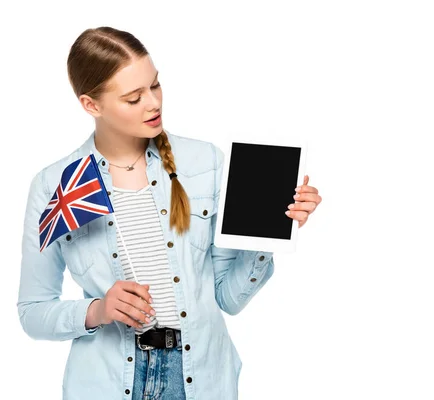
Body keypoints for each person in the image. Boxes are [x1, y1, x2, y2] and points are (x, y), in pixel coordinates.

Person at [17, 26, 322, 400]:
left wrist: (272, 230)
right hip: (107, 383)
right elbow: (32, 312)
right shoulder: (56, 185)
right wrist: (98, 310)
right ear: (91, 105)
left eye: (155, 85)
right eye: (133, 98)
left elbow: (228, 299)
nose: (153, 103)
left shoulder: (204, 162)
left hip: (201, 377)